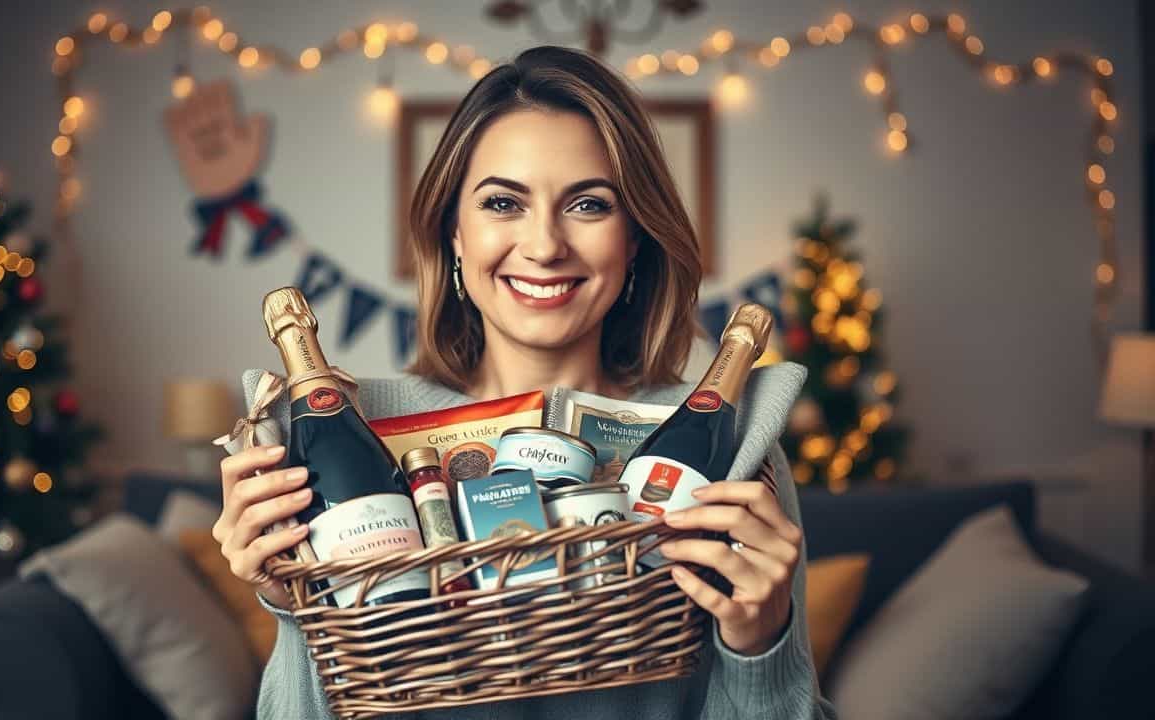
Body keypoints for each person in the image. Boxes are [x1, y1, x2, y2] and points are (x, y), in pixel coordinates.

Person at [213, 45, 837, 719]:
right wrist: (291, 601)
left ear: (635, 239)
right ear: (454, 230)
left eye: (589, 205)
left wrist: (761, 645)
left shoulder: (735, 453)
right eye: (504, 202)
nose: (544, 246)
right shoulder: (357, 440)